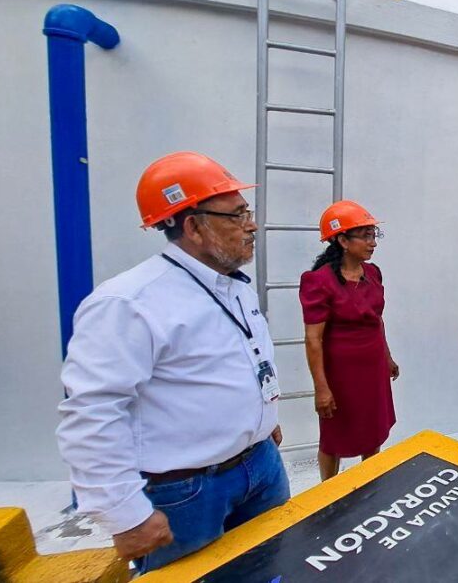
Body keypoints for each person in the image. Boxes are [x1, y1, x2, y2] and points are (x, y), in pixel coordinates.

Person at [56, 151, 289, 574]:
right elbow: (92, 413)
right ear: (193, 226)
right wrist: (125, 514)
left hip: (261, 467)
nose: (252, 225)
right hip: (187, 492)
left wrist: (261, 416)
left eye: (247, 212)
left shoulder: (232, 284)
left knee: (272, 569)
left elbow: (238, 360)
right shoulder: (129, 303)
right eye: (236, 215)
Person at [300, 200, 400, 481]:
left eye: (374, 235)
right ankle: (328, 492)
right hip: (341, 373)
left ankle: (370, 484)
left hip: (372, 367)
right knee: (334, 435)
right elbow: (313, 338)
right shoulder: (318, 281)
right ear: (343, 240)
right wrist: (321, 388)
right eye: (366, 236)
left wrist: (387, 357)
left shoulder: (373, 273)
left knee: (372, 429)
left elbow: (376, 320)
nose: (373, 243)